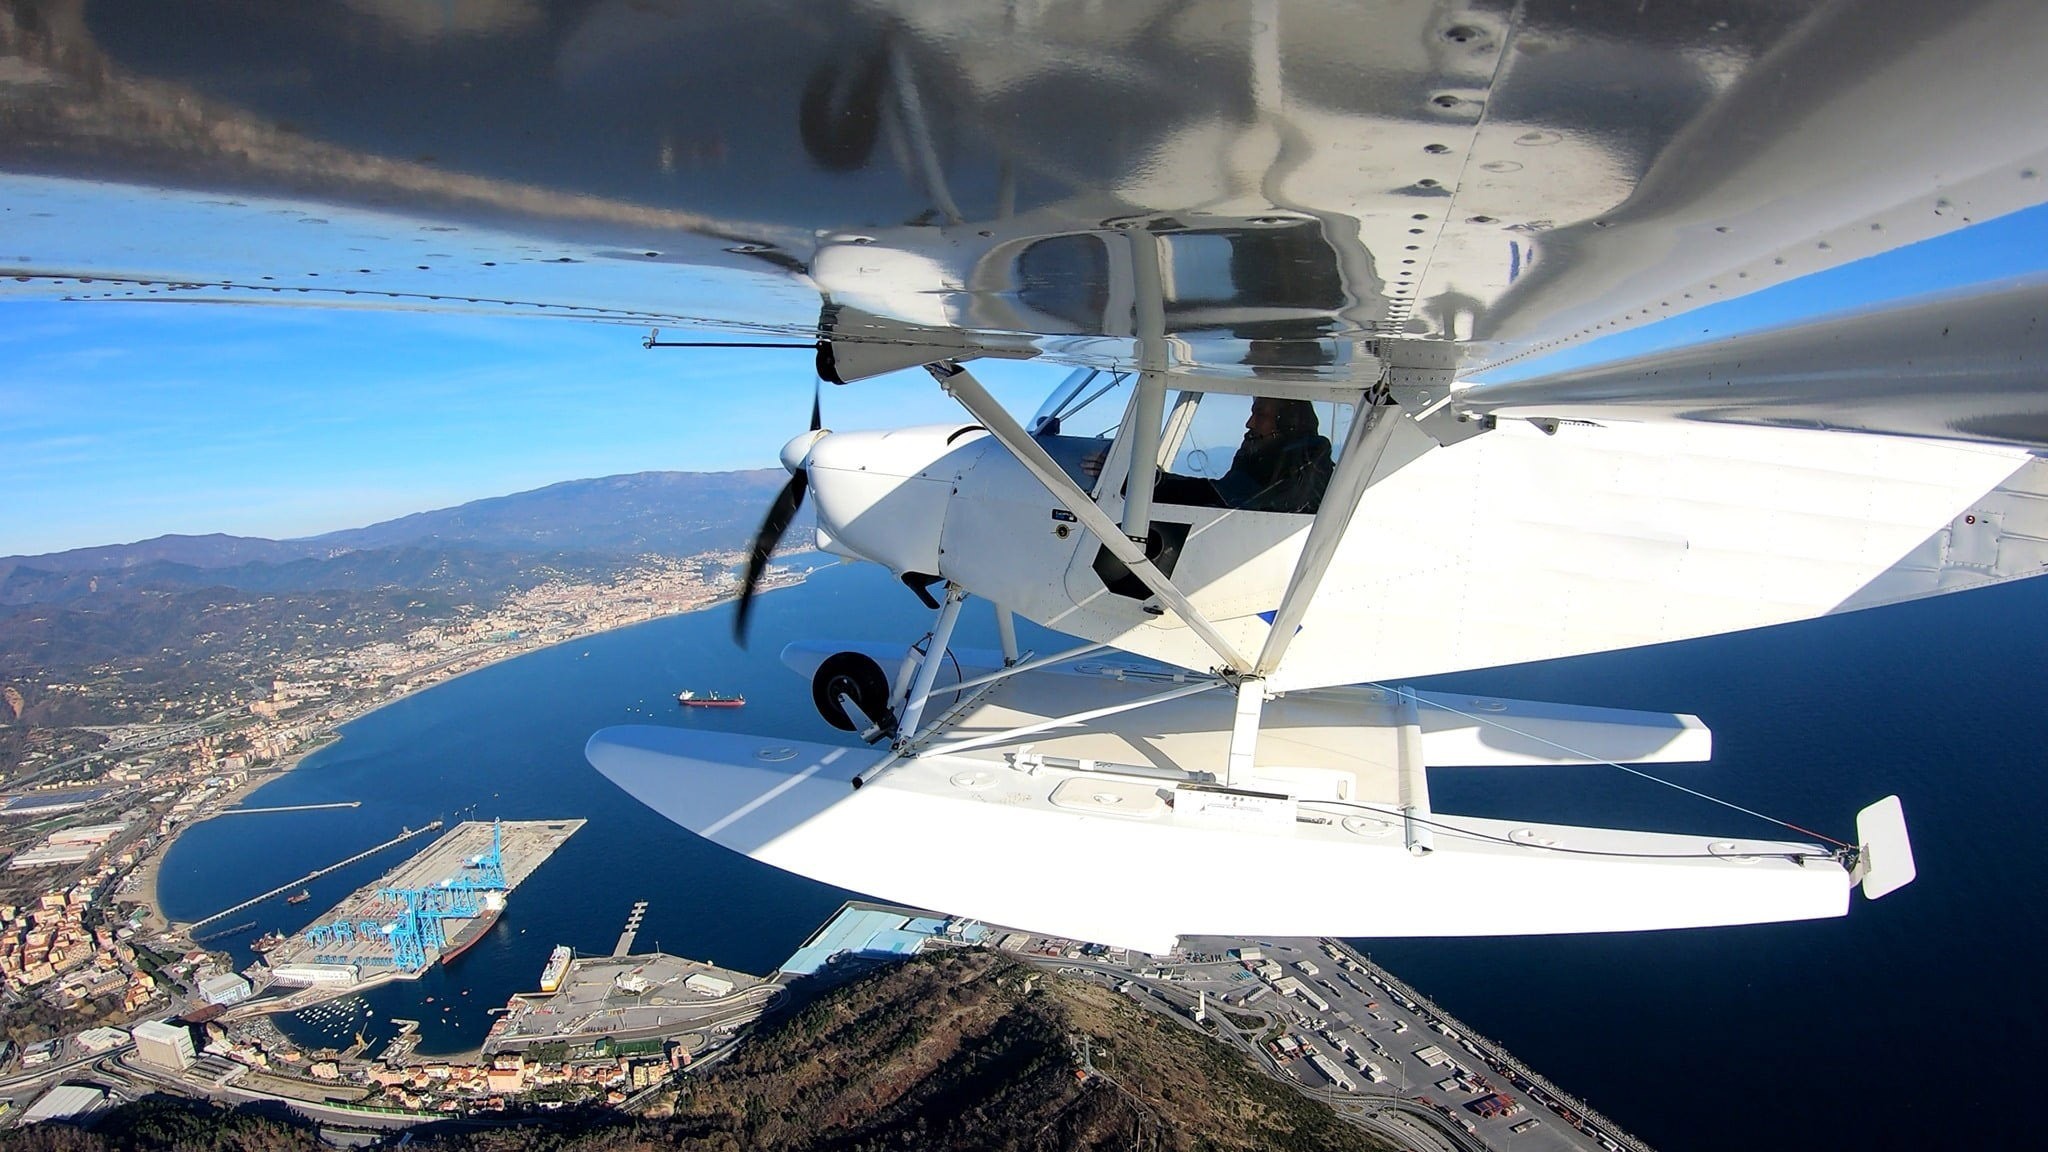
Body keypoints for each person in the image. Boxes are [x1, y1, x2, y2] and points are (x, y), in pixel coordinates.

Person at [1154, 396, 1334, 513]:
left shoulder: (1297, 468)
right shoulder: (1267, 463)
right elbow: (1221, 492)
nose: (1249, 423)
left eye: (1260, 415)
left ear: (1288, 423)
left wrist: (1158, 484)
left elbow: (1220, 499)